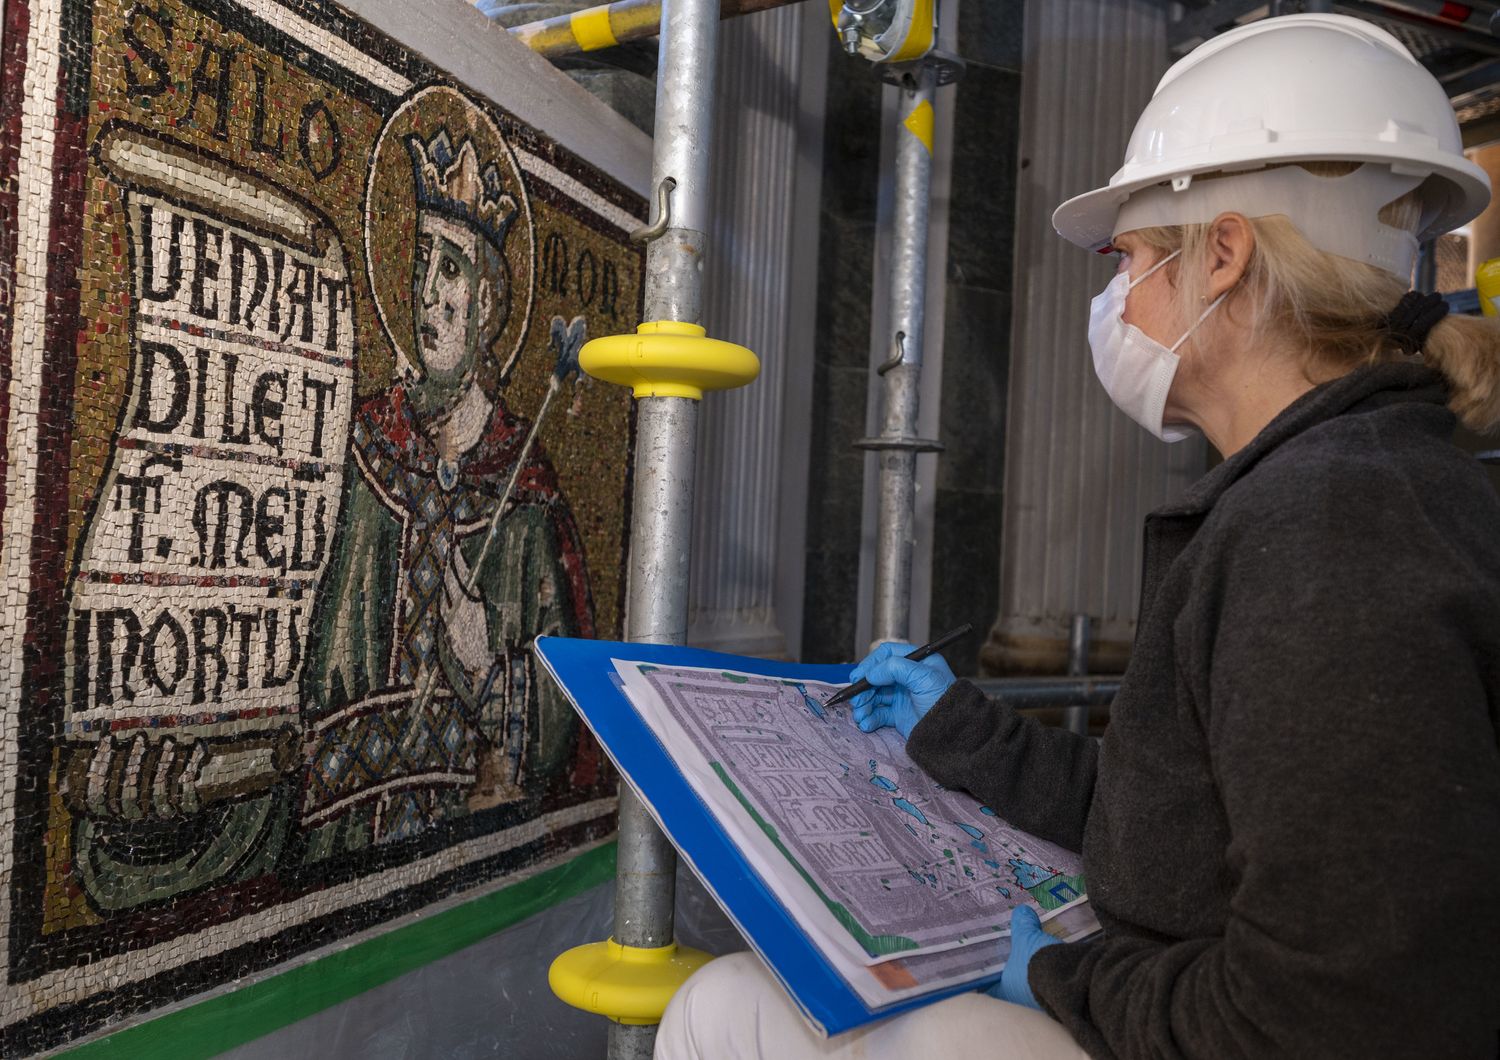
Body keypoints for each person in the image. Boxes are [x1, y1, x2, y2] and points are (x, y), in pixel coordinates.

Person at [657, 15, 1500, 1059]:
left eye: (1129, 256)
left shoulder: (1334, 530)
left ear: (1224, 253)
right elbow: (1185, 821)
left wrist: (1073, 982)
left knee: (723, 1007)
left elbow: (1337, 1016)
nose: (1115, 296)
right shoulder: (1336, 487)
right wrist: (963, 728)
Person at [299, 128, 597, 858]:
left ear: (489, 304)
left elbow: (571, 712)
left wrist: (483, 668)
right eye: (421, 262)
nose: (429, 293)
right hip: (347, 829)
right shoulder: (368, 448)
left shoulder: (523, 493)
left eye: (453, 269)